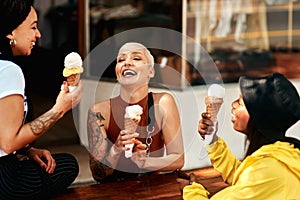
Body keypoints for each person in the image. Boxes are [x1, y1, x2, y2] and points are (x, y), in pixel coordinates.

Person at [0, 0, 83, 199]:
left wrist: (29, 150)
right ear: (10, 31)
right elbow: (8, 143)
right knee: (68, 165)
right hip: (5, 181)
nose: (38, 34)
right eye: (33, 27)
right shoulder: (8, 70)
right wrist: (59, 109)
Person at [178, 73, 300, 199]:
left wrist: (192, 189)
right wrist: (212, 141)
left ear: (259, 118)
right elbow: (243, 178)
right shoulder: (284, 153)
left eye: (241, 103)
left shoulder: (269, 170)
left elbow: (252, 179)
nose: (233, 104)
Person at [87, 42, 184, 182]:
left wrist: (145, 162)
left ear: (151, 71)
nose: (127, 63)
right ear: (117, 73)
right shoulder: (99, 112)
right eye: (121, 60)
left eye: (136, 58)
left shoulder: (163, 102)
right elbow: (97, 174)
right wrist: (115, 150)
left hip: (150, 189)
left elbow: (178, 159)